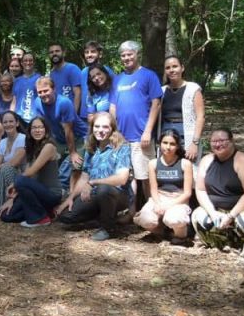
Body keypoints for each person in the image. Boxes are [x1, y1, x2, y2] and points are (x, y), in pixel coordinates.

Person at [191, 128, 244, 257]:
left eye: (222, 140)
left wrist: (231, 216)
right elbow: (200, 189)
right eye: (214, 141)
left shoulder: (243, 161)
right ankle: (223, 244)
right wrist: (212, 212)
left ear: (232, 141)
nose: (217, 144)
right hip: (218, 209)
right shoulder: (206, 160)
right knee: (198, 217)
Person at [57, 112, 131, 241]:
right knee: (66, 216)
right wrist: (70, 198)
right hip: (95, 195)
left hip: (116, 195)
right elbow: (84, 176)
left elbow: (122, 178)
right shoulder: (91, 147)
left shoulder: (122, 147)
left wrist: (93, 183)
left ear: (112, 129)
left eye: (105, 127)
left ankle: (108, 228)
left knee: (104, 189)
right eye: (97, 127)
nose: (100, 130)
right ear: (92, 128)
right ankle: (100, 217)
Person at [110, 40, 162, 206]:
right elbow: (113, 107)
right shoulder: (117, 80)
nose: (126, 58)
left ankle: (152, 211)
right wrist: (115, 132)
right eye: (123, 55)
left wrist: (148, 131)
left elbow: (156, 103)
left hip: (141, 137)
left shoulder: (148, 75)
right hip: (122, 138)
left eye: (129, 54)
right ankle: (132, 212)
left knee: (146, 177)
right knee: (127, 177)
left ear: (137, 54)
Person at [0, 116, 62, 226]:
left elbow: (30, 172)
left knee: (20, 180)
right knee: (6, 216)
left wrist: (15, 184)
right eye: (34, 128)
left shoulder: (49, 147)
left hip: (51, 194)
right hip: (36, 194)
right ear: (30, 130)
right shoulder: (32, 148)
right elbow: (28, 176)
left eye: (40, 127)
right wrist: (13, 199)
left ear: (46, 129)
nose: (37, 130)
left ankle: (40, 219)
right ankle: (47, 212)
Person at [133, 129, 194, 243]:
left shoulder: (185, 164)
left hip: (178, 199)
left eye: (172, 144)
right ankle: (159, 230)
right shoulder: (153, 164)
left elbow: (187, 193)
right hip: (160, 197)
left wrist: (169, 205)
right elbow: (153, 190)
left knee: (174, 219)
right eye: (165, 143)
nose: (168, 147)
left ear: (177, 146)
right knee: (146, 219)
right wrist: (157, 203)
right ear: (159, 144)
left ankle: (180, 235)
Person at [32, 76, 87, 190]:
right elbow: (41, 126)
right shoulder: (37, 102)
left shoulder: (64, 103)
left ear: (54, 89)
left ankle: (67, 193)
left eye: (46, 90)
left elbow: (68, 130)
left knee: (75, 163)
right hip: (59, 139)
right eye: (40, 92)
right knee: (49, 162)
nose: (43, 94)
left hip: (79, 137)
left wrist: (73, 153)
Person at [160, 55, 205, 161]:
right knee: (169, 169)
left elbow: (200, 117)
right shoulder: (161, 91)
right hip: (166, 136)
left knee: (190, 168)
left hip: (187, 135)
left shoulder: (193, 88)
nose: (172, 70)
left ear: (182, 68)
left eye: (175, 66)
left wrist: (195, 143)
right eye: (168, 68)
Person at [0, 111, 26, 212]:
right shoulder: (3, 142)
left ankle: (2, 207)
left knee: (5, 169)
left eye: (11, 121)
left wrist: (0, 166)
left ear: (17, 123)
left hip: (21, 175)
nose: (8, 124)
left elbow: (15, 162)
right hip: (5, 174)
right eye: (5, 122)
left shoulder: (22, 138)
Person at [79, 41, 113, 124]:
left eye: (93, 52)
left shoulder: (106, 70)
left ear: (100, 54)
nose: (89, 55)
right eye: (86, 52)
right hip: (85, 115)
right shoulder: (83, 71)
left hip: (102, 115)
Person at [48, 42, 82, 115]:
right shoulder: (52, 73)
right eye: (51, 52)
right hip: (58, 114)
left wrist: (73, 115)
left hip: (70, 114)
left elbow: (78, 93)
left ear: (63, 53)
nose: (54, 54)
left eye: (57, 51)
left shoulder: (72, 69)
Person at [13, 52, 40, 128]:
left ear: (34, 62)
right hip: (19, 118)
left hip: (34, 118)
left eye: (30, 60)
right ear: (21, 63)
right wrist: (11, 115)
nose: (28, 62)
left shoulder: (39, 79)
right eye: (25, 60)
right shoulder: (17, 80)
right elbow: (14, 100)